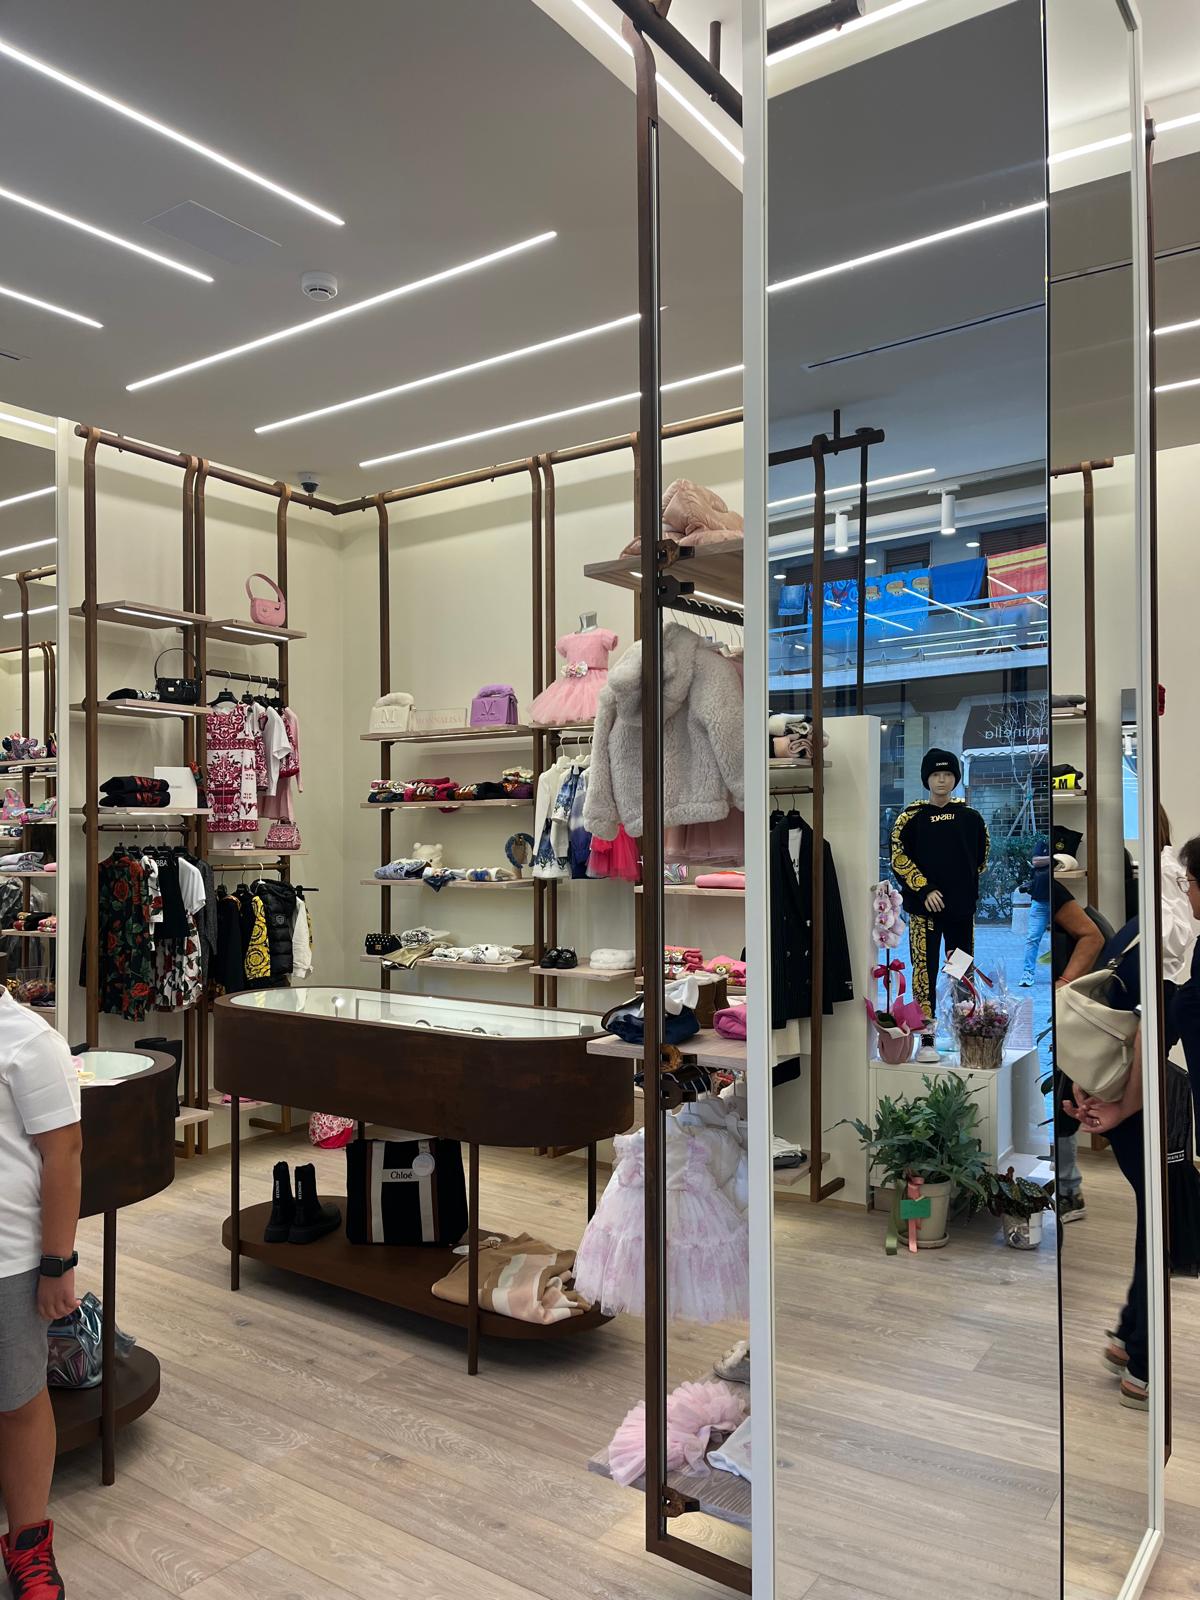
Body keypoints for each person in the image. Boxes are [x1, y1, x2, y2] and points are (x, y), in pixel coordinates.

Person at [0, 995, 82, 1600]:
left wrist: (57, 1263)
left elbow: (65, 1153)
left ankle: (28, 1546)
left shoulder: (28, 1041)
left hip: (8, 1258)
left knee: (18, 1399)